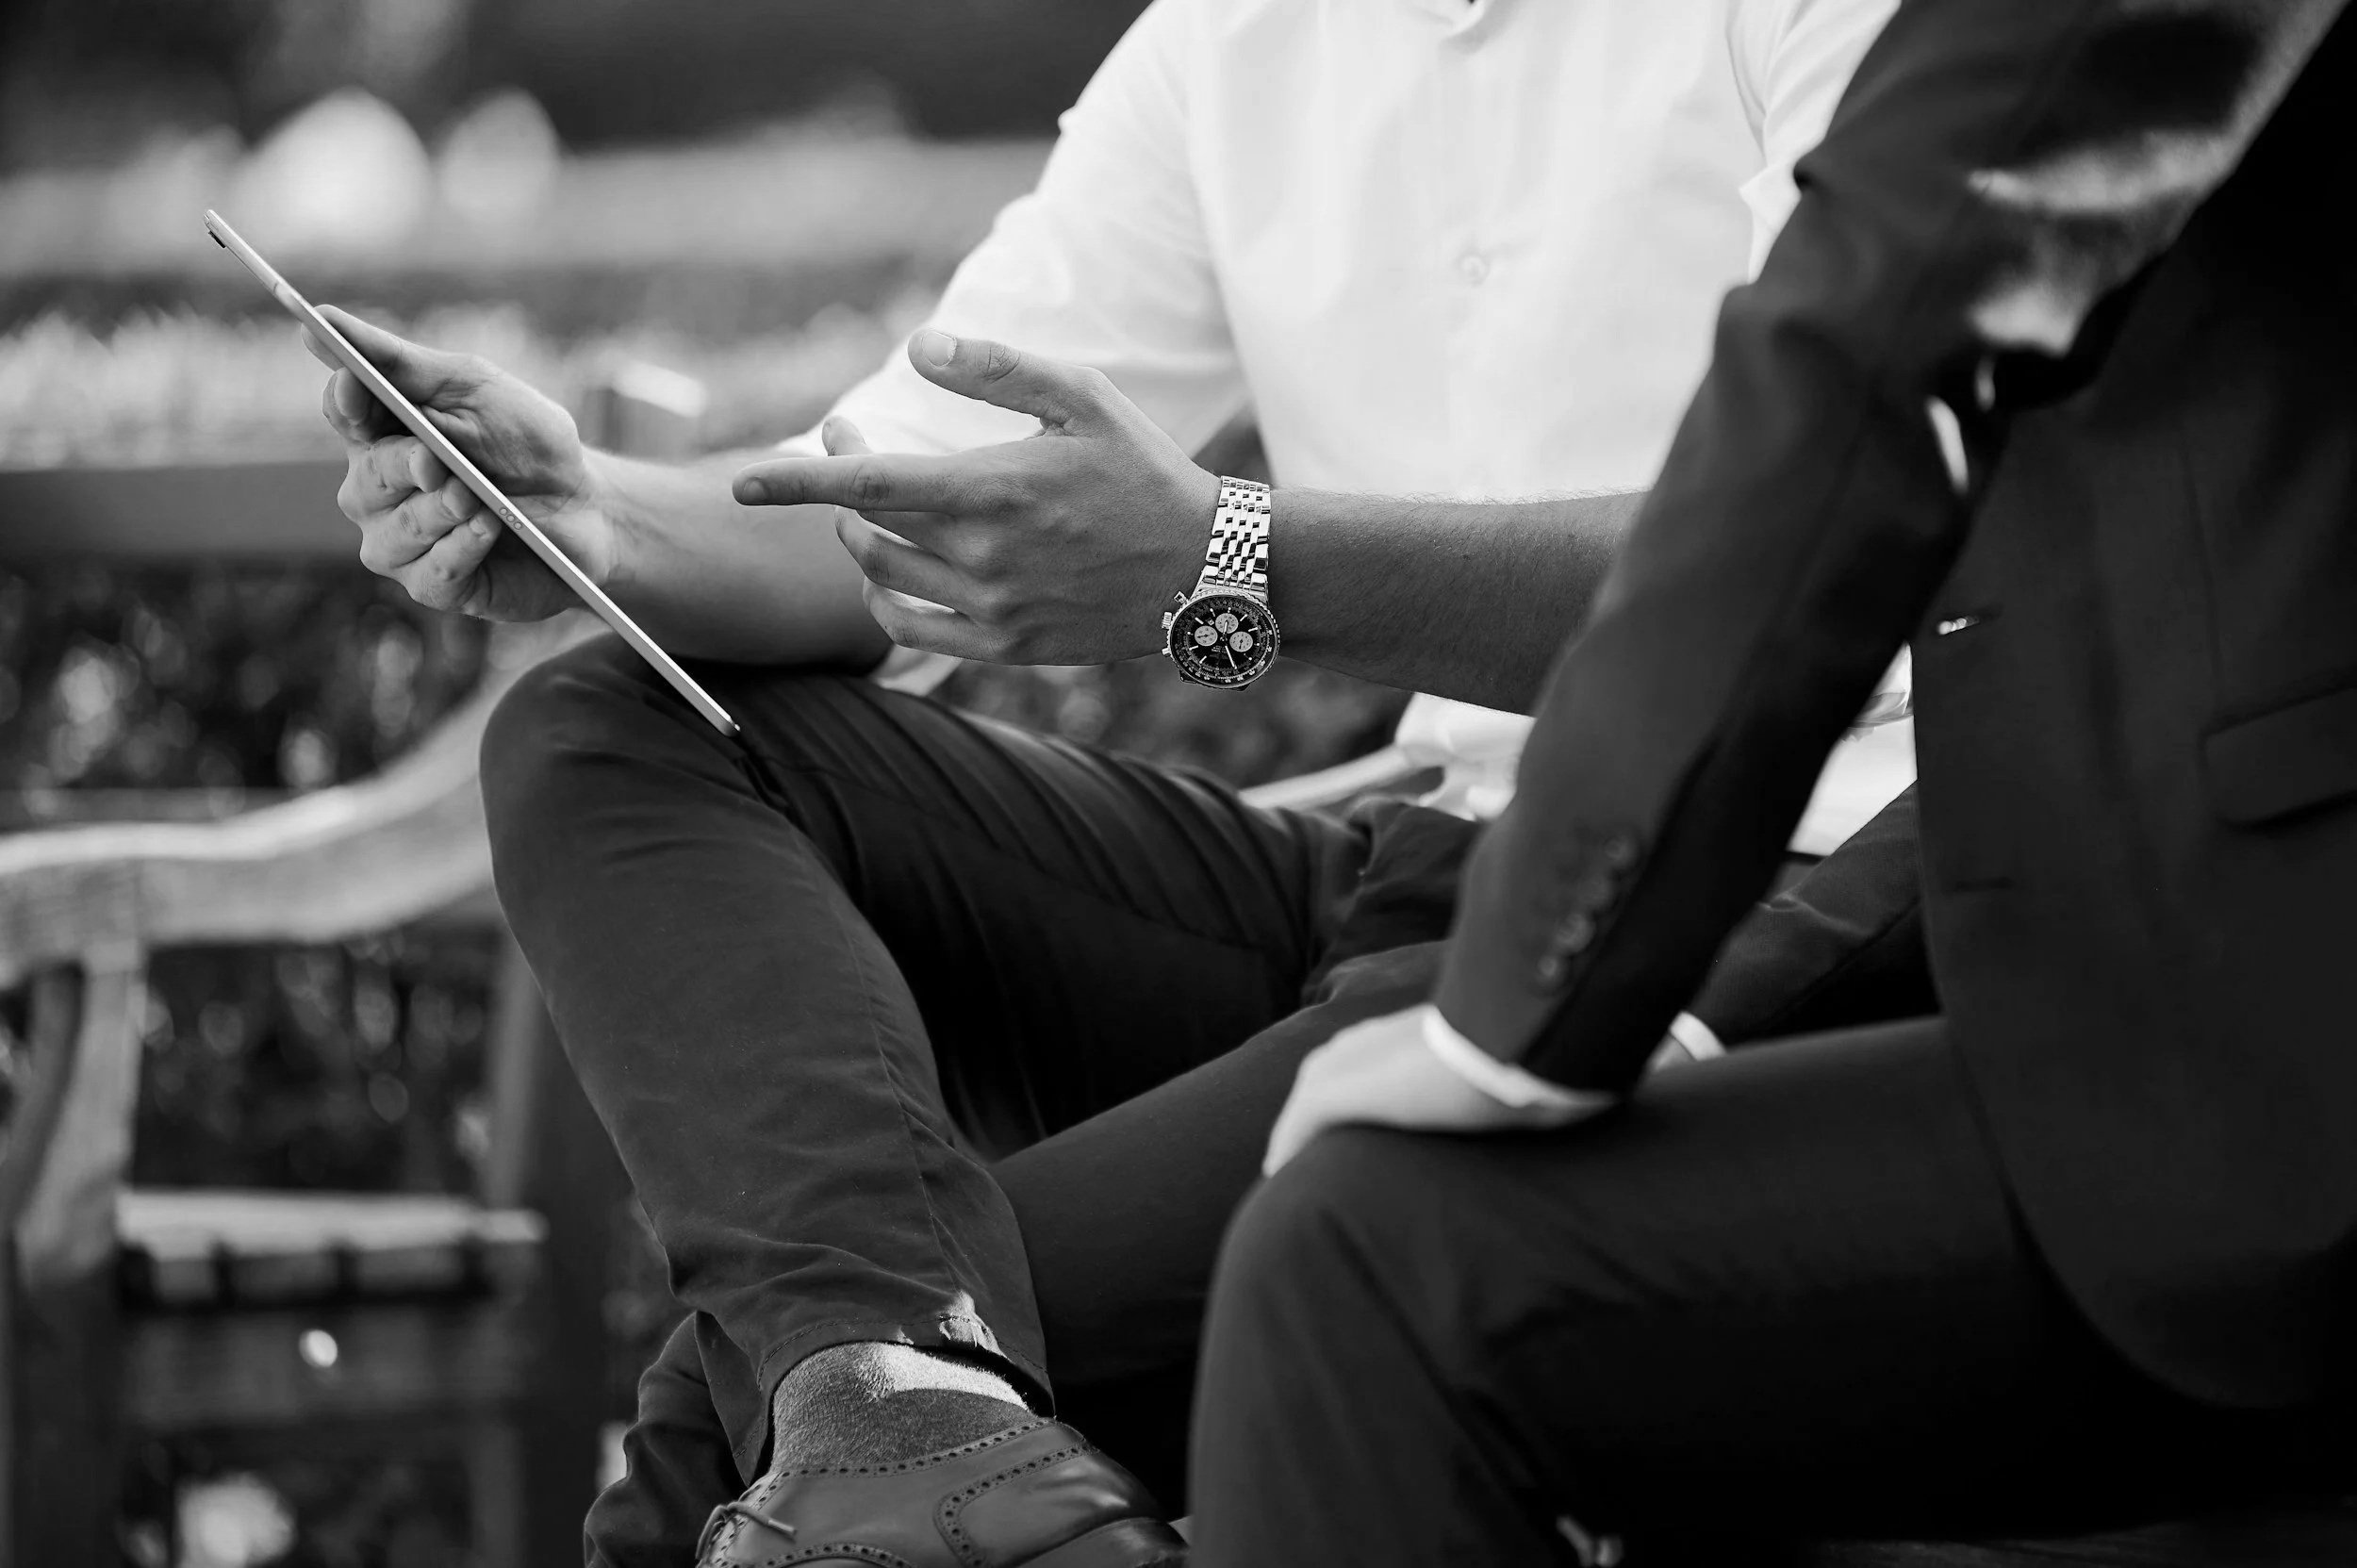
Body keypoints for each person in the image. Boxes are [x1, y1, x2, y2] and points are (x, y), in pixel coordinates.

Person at [311, 0, 1917, 1560]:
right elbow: (899, 505)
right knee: (603, 730)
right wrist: (592, 514)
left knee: (719, 1447)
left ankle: (895, 1408)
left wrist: (1229, 559)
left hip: (1759, 898)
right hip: (1412, 873)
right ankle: (902, 1398)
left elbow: (1812, 558)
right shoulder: (1235, 38)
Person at [1162, 0, 2357, 1561]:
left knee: (1371, 1264)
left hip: (2266, 1050)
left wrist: (1526, 1013)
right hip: (2126, 977)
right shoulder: (1226, 47)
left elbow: (1871, 340)